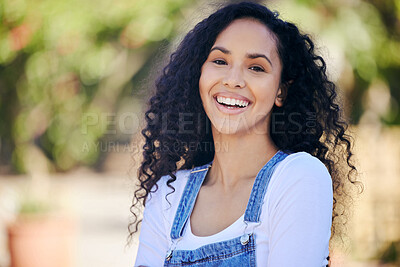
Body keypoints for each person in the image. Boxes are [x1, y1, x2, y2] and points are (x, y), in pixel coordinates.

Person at [129, 1, 360, 266]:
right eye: (219, 61)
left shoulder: (298, 177)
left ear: (281, 91)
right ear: (199, 75)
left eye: (256, 67)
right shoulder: (167, 195)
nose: (233, 79)